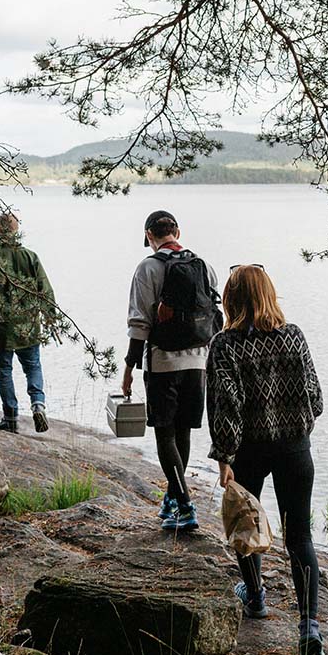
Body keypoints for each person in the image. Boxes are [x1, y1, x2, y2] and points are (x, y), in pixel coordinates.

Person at [207, 265, 326, 655]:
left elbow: (227, 406)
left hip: (249, 451)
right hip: (295, 449)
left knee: (245, 524)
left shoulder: (225, 344)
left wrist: (224, 457)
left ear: (231, 299)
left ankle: (256, 596)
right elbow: (316, 398)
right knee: (300, 538)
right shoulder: (294, 336)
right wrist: (297, 426)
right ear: (269, 294)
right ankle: (309, 628)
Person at [122, 210, 220, 531]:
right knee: (183, 432)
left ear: (149, 235)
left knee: (165, 434)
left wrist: (129, 368)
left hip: (163, 363)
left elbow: (139, 323)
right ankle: (172, 498)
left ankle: (185, 505)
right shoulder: (204, 266)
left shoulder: (147, 268)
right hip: (198, 362)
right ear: (177, 232)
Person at [0, 213, 56, 434]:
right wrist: (51, 317)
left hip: (0, 329)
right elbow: (45, 290)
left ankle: (11, 418)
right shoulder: (30, 257)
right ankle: (38, 404)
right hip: (28, 328)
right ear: (17, 231)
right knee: (33, 367)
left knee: (4, 372)